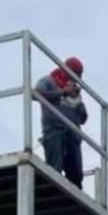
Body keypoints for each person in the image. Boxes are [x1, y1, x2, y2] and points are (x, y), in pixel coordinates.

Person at [35, 57, 87, 188]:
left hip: (73, 135)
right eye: (75, 73)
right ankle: (52, 196)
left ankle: (75, 204)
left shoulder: (74, 90)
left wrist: (79, 104)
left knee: (76, 176)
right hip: (54, 131)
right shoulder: (48, 80)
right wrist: (62, 92)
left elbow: (83, 119)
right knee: (54, 170)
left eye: (79, 75)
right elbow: (35, 94)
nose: (76, 78)